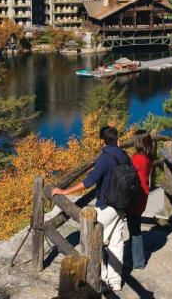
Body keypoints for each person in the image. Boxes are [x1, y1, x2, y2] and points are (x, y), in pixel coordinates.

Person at [51, 125, 128, 292]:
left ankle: (100, 279)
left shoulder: (104, 158)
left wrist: (64, 191)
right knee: (116, 242)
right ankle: (115, 281)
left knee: (93, 240)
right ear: (117, 139)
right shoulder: (123, 154)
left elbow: (88, 182)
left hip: (107, 205)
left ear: (102, 141)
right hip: (123, 205)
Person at [127, 129, 155, 269]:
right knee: (134, 226)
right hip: (142, 195)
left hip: (134, 197)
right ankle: (133, 258)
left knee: (134, 229)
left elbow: (126, 171)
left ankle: (137, 262)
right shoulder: (149, 157)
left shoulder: (137, 159)